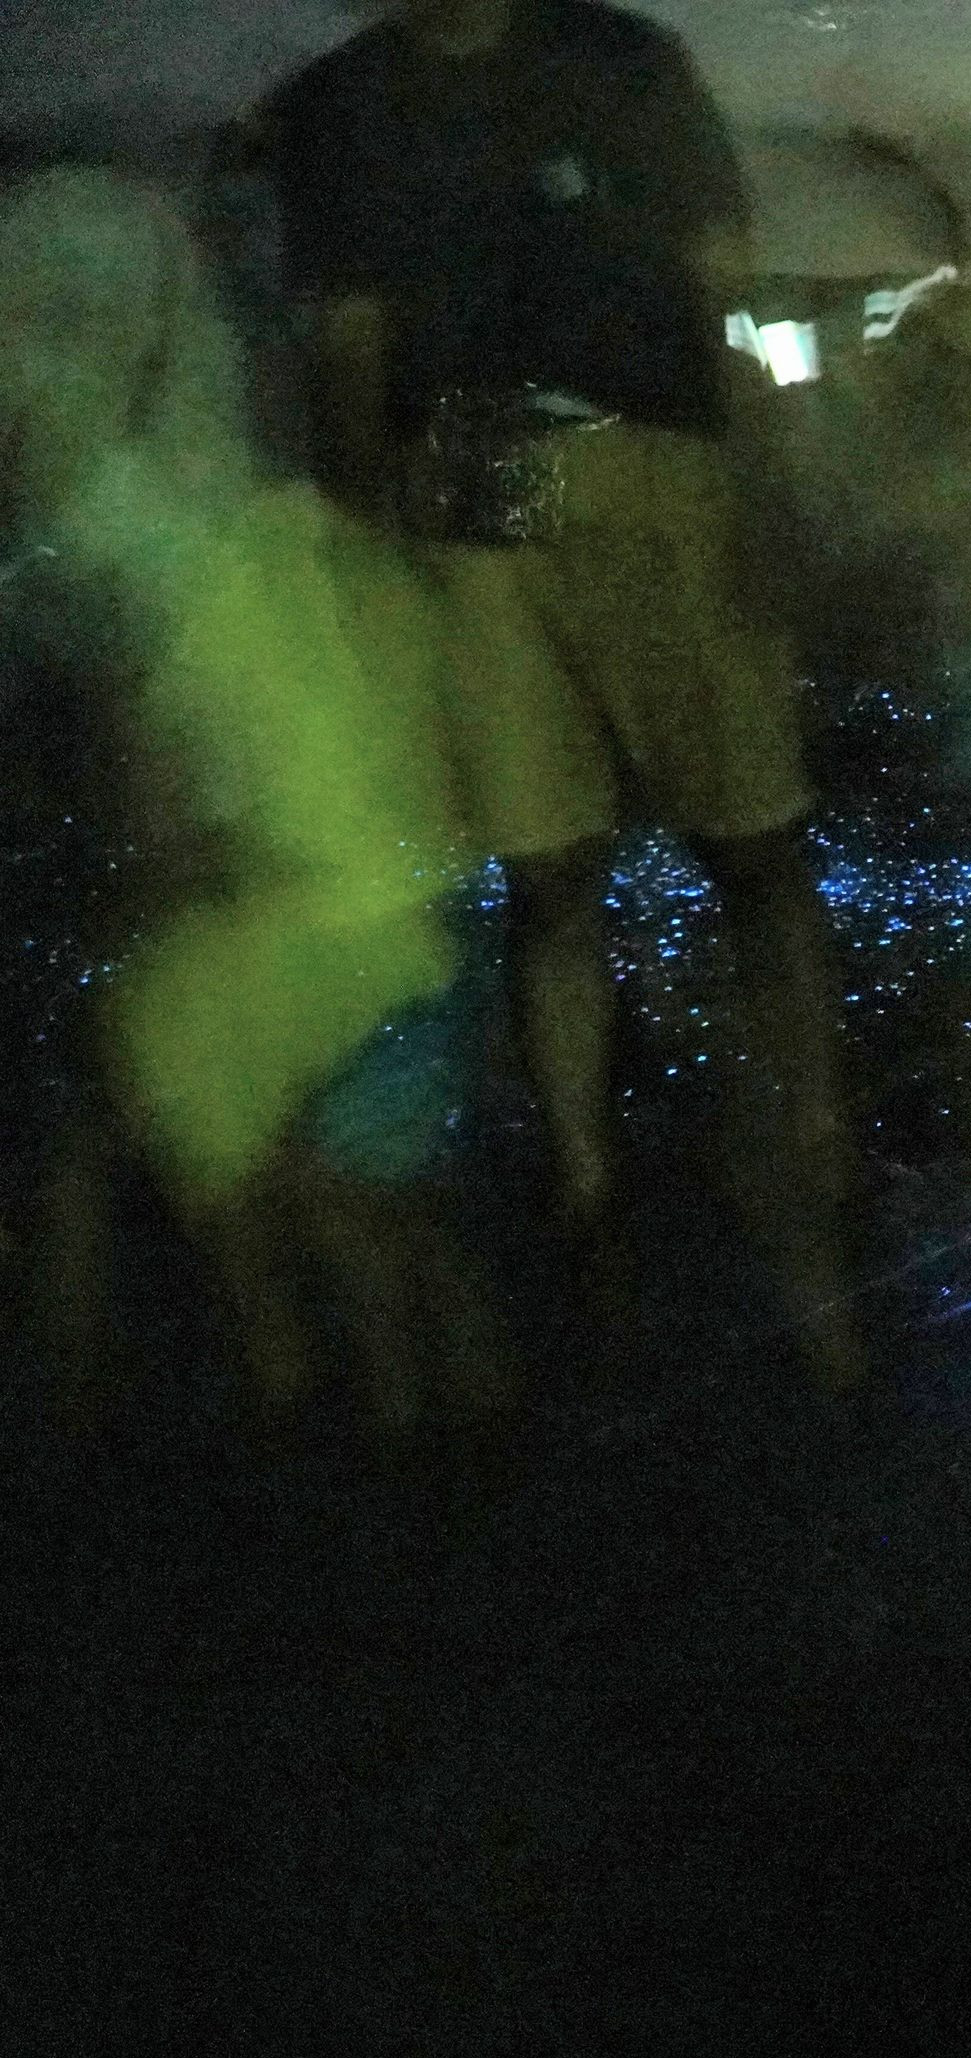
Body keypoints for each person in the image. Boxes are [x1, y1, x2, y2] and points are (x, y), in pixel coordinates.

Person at [254, 0, 863, 1389]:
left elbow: (730, 284)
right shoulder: (348, 102)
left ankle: (815, 1134)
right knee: (548, 867)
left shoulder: (621, 62)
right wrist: (373, 557)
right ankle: (589, 1180)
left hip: (658, 461)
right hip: (471, 473)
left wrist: (773, 468)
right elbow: (347, 344)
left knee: (754, 839)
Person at [0, 167, 512, 1436]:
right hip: (395, 931)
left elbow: (172, 795)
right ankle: (429, 1415)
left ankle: (331, 1405)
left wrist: (168, 863)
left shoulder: (190, 580)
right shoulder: (317, 552)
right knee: (360, 1207)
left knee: (270, 1177)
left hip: (315, 941)